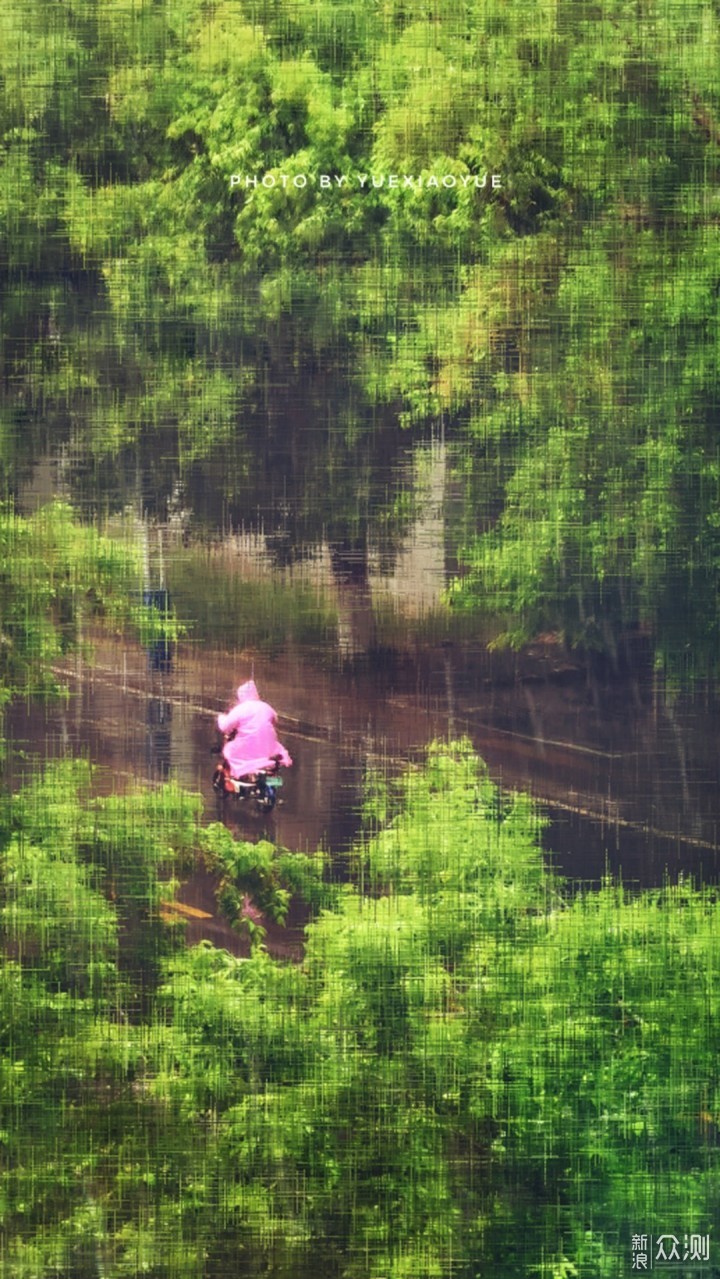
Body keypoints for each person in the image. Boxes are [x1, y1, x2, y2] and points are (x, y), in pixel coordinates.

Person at [216, 680, 292, 780]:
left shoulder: (241, 708)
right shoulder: (266, 707)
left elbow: (225, 726)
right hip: (269, 746)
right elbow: (275, 719)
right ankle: (271, 781)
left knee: (230, 751)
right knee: (275, 756)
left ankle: (239, 776)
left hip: (247, 746)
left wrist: (221, 718)